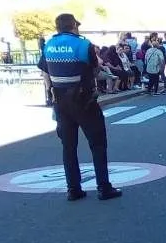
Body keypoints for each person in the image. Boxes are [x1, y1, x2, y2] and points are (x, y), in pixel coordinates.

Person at [37, 14, 121, 202]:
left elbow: (44, 72)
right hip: (84, 100)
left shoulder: (49, 45)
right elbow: (95, 69)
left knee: (68, 147)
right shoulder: (83, 44)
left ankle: (73, 189)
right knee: (98, 144)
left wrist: (51, 90)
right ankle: (103, 187)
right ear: (74, 25)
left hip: (60, 100)